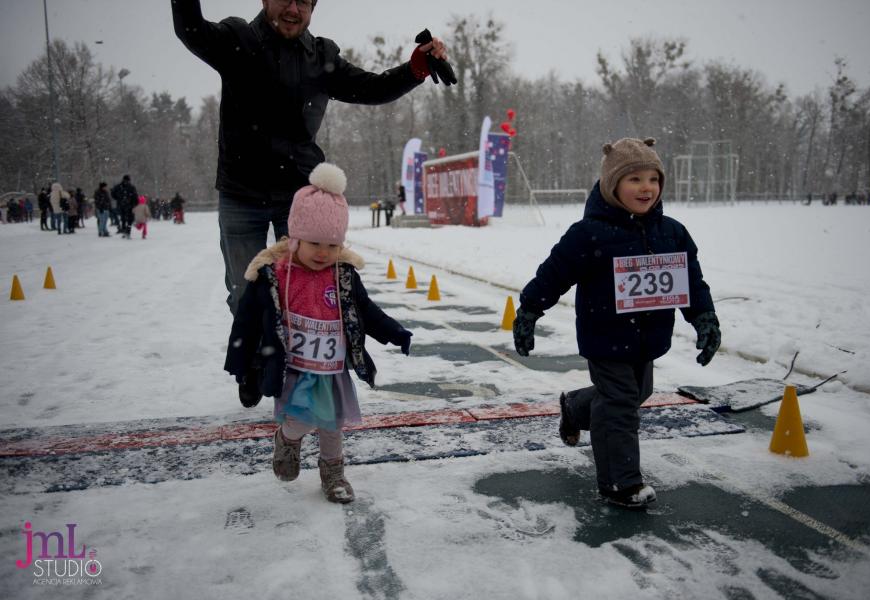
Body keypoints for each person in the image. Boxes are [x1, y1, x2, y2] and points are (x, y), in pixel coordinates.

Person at [172, 0, 451, 315]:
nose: (293, 8)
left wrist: (415, 69)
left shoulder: (321, 57)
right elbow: (191, 30)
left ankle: (302, 360)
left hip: (299, 195)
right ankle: (257, 361)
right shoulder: (238, 39)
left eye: (303, 1)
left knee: (307, 295)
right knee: (245, 296)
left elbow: (372, 88)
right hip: (241, 193)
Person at [512, 138, 721, 509]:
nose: (646, 188)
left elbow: (690, 280)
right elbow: (553, 274)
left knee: (633, 395)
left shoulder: (671, 232)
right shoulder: (589, 233)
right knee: (621, 404)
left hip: (650, 336)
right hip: (605, 335)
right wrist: (529, 311)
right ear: (612, 185)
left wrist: (704, 318)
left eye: (653, 179)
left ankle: (576, 408)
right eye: (635, 179)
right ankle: (620, 483)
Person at [224, 163, 413, 503]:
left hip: (332, 368)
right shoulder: (276, 276)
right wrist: (243, 362)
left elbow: (366, 311)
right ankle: (288, 437)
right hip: (295, 369)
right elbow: (248, 320)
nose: (323, 253)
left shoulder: (342, 275)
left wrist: (395, 332)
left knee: (333, 424)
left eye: (332, 244)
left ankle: (334, 474)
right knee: (302, 419)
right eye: (314, 243)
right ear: (295, 237)